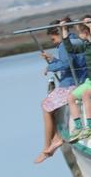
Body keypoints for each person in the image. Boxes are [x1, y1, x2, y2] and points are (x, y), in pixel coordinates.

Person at [35, 21, 86, 163]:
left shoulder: (64, 45)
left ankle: (48, 146)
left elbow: (66, 64)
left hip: (71, 84)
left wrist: (50, 67)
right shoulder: (76, 40)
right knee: (50, 104)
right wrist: (53, 60)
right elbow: (72, 61)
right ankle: (57, 136)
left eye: (53, 39)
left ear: (57, 33)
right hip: (79, 80)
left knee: (45, 106)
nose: (54, 42)